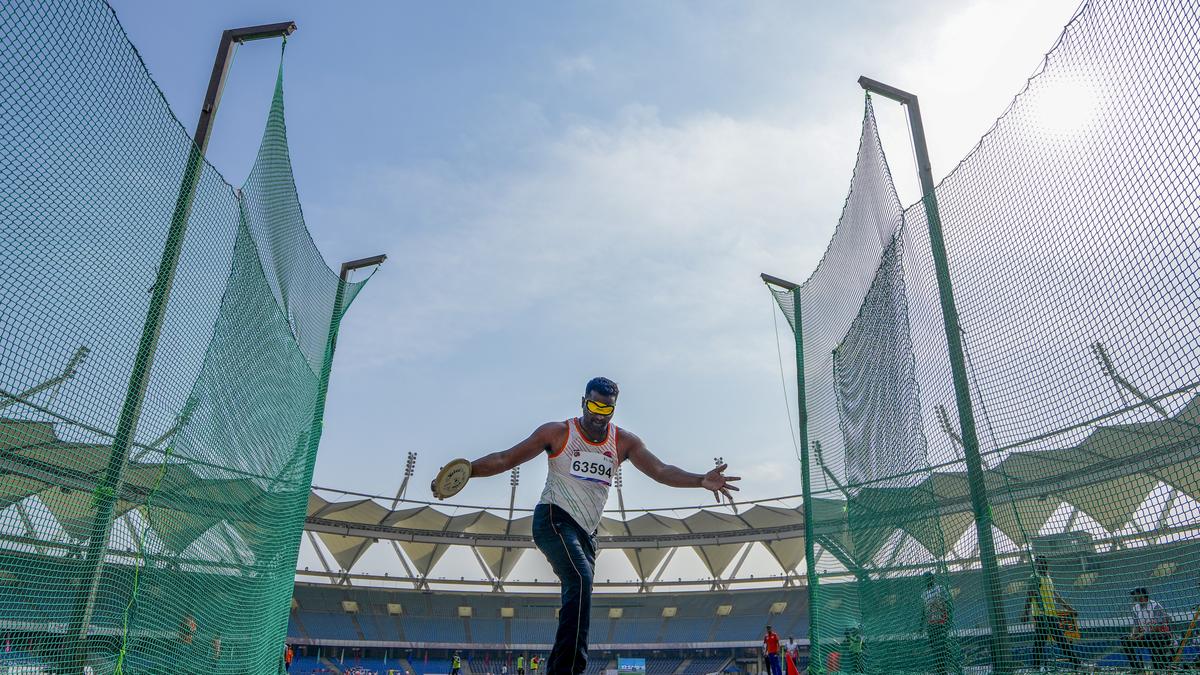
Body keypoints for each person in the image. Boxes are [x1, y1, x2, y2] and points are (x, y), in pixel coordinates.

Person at [449, 377, 740, 675]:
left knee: (581, 591)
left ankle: (566, 666)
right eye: (593, 405)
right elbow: (505, 458)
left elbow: (661, 470)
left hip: (587, 533)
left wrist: (699, 481)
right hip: (553, 518)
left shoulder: (624, 441)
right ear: (583, 401)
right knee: (581, 579)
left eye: (606, 408)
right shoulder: (558, 432)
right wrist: (465, 472)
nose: (599, 413)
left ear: (614, 408)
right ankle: (567, 670)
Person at [1020, 556, 1079, 669]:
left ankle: (1076, 664)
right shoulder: (1035, 577)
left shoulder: (1048, 578)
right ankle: (1076, 664)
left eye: (1043, 562)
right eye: (1039, 563)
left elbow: (1056, 597)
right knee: (1044, 643)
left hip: (1051, 615)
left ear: (1047, 564)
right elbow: (1029, 594)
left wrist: (1070, 609)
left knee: (1055, 642)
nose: (1041, 565)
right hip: (1041, 616)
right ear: (1036, 565)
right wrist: (1025, 613)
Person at [1122, 586, 1173, 670]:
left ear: (1142, 595)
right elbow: (1136, 625)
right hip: (1145, 636)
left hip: (1162, 635)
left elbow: (1158, 626)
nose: (1133, 597)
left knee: (1151, 637)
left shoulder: (1155, 606)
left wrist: (1141, 635)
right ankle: (1137, 668)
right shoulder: (1136, 608)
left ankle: (1160, 668)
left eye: (1135, 594)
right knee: (1125, 640)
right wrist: (1132, 636)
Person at [921, 571, 952, 675]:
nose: (926, 581)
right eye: (925, 579)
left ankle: (944, 670)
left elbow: (948, 604)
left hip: (941, 623)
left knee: (942, 647)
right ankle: (940, 671)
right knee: (935, 650)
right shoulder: (924, 593)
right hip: (931, 625)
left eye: (928, 578)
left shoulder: (940, 589)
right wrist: (921, 626)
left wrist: (949, 620)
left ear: (932, 579)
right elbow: (923, 611)